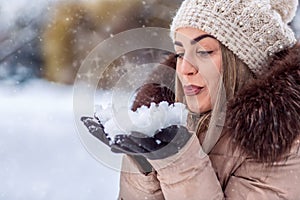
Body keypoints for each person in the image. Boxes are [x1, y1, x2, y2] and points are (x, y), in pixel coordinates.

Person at [82, 0, 300, 199]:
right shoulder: (176, 122)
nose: (184, 69)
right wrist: (145, 165)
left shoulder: (284, 145)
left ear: (243, 63)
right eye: (179, 54)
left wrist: (178, 162)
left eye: (204, 52)